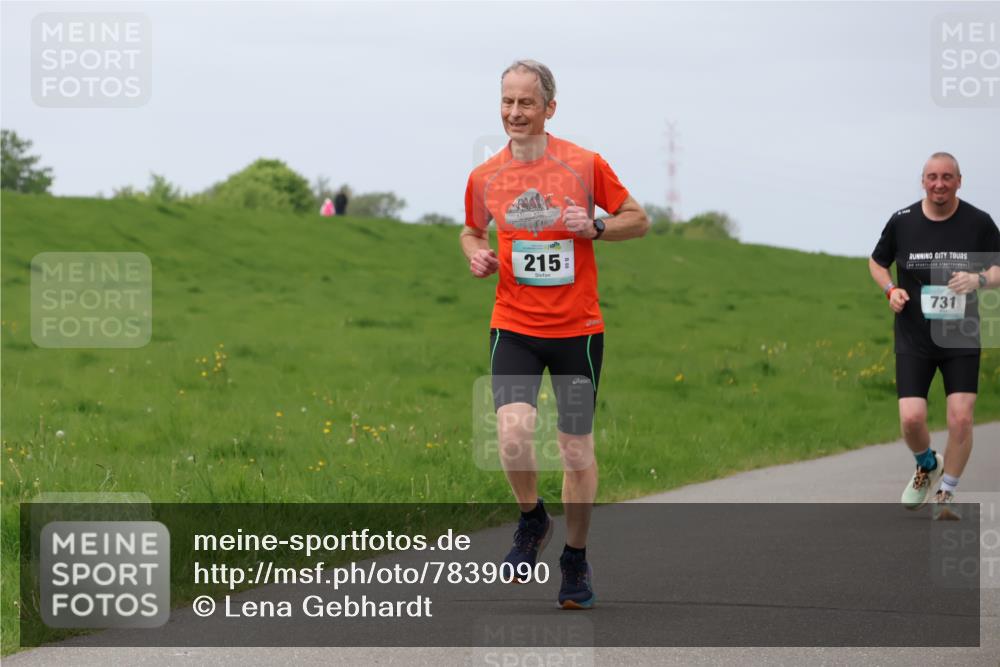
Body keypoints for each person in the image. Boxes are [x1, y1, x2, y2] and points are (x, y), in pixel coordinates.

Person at [461, 60, 649, 608]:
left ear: (549, 108)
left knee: (573, 450)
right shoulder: (485, 176)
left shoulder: (585, 166)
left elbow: (637, 219)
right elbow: (472, 230)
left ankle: (574, 558)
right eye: (507, 102)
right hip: (514, 325)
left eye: (526, 103)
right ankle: (532, 518)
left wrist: (593, 226)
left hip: (577, 332)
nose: (514, 113)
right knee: (514, 434)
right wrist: (477, 255)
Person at [869, 152, 1000, 520]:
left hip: (961, 333)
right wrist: (890, 290)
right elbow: (877, 262)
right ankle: (927, 463)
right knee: (911, 419)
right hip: (914, 334)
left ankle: (946, 494)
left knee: (961, 418)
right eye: (931, 177)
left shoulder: (978, 222)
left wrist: (979, 279)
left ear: (959, 180)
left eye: (947, 177)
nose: (939, 184)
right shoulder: (902, 221)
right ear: (923, 181)